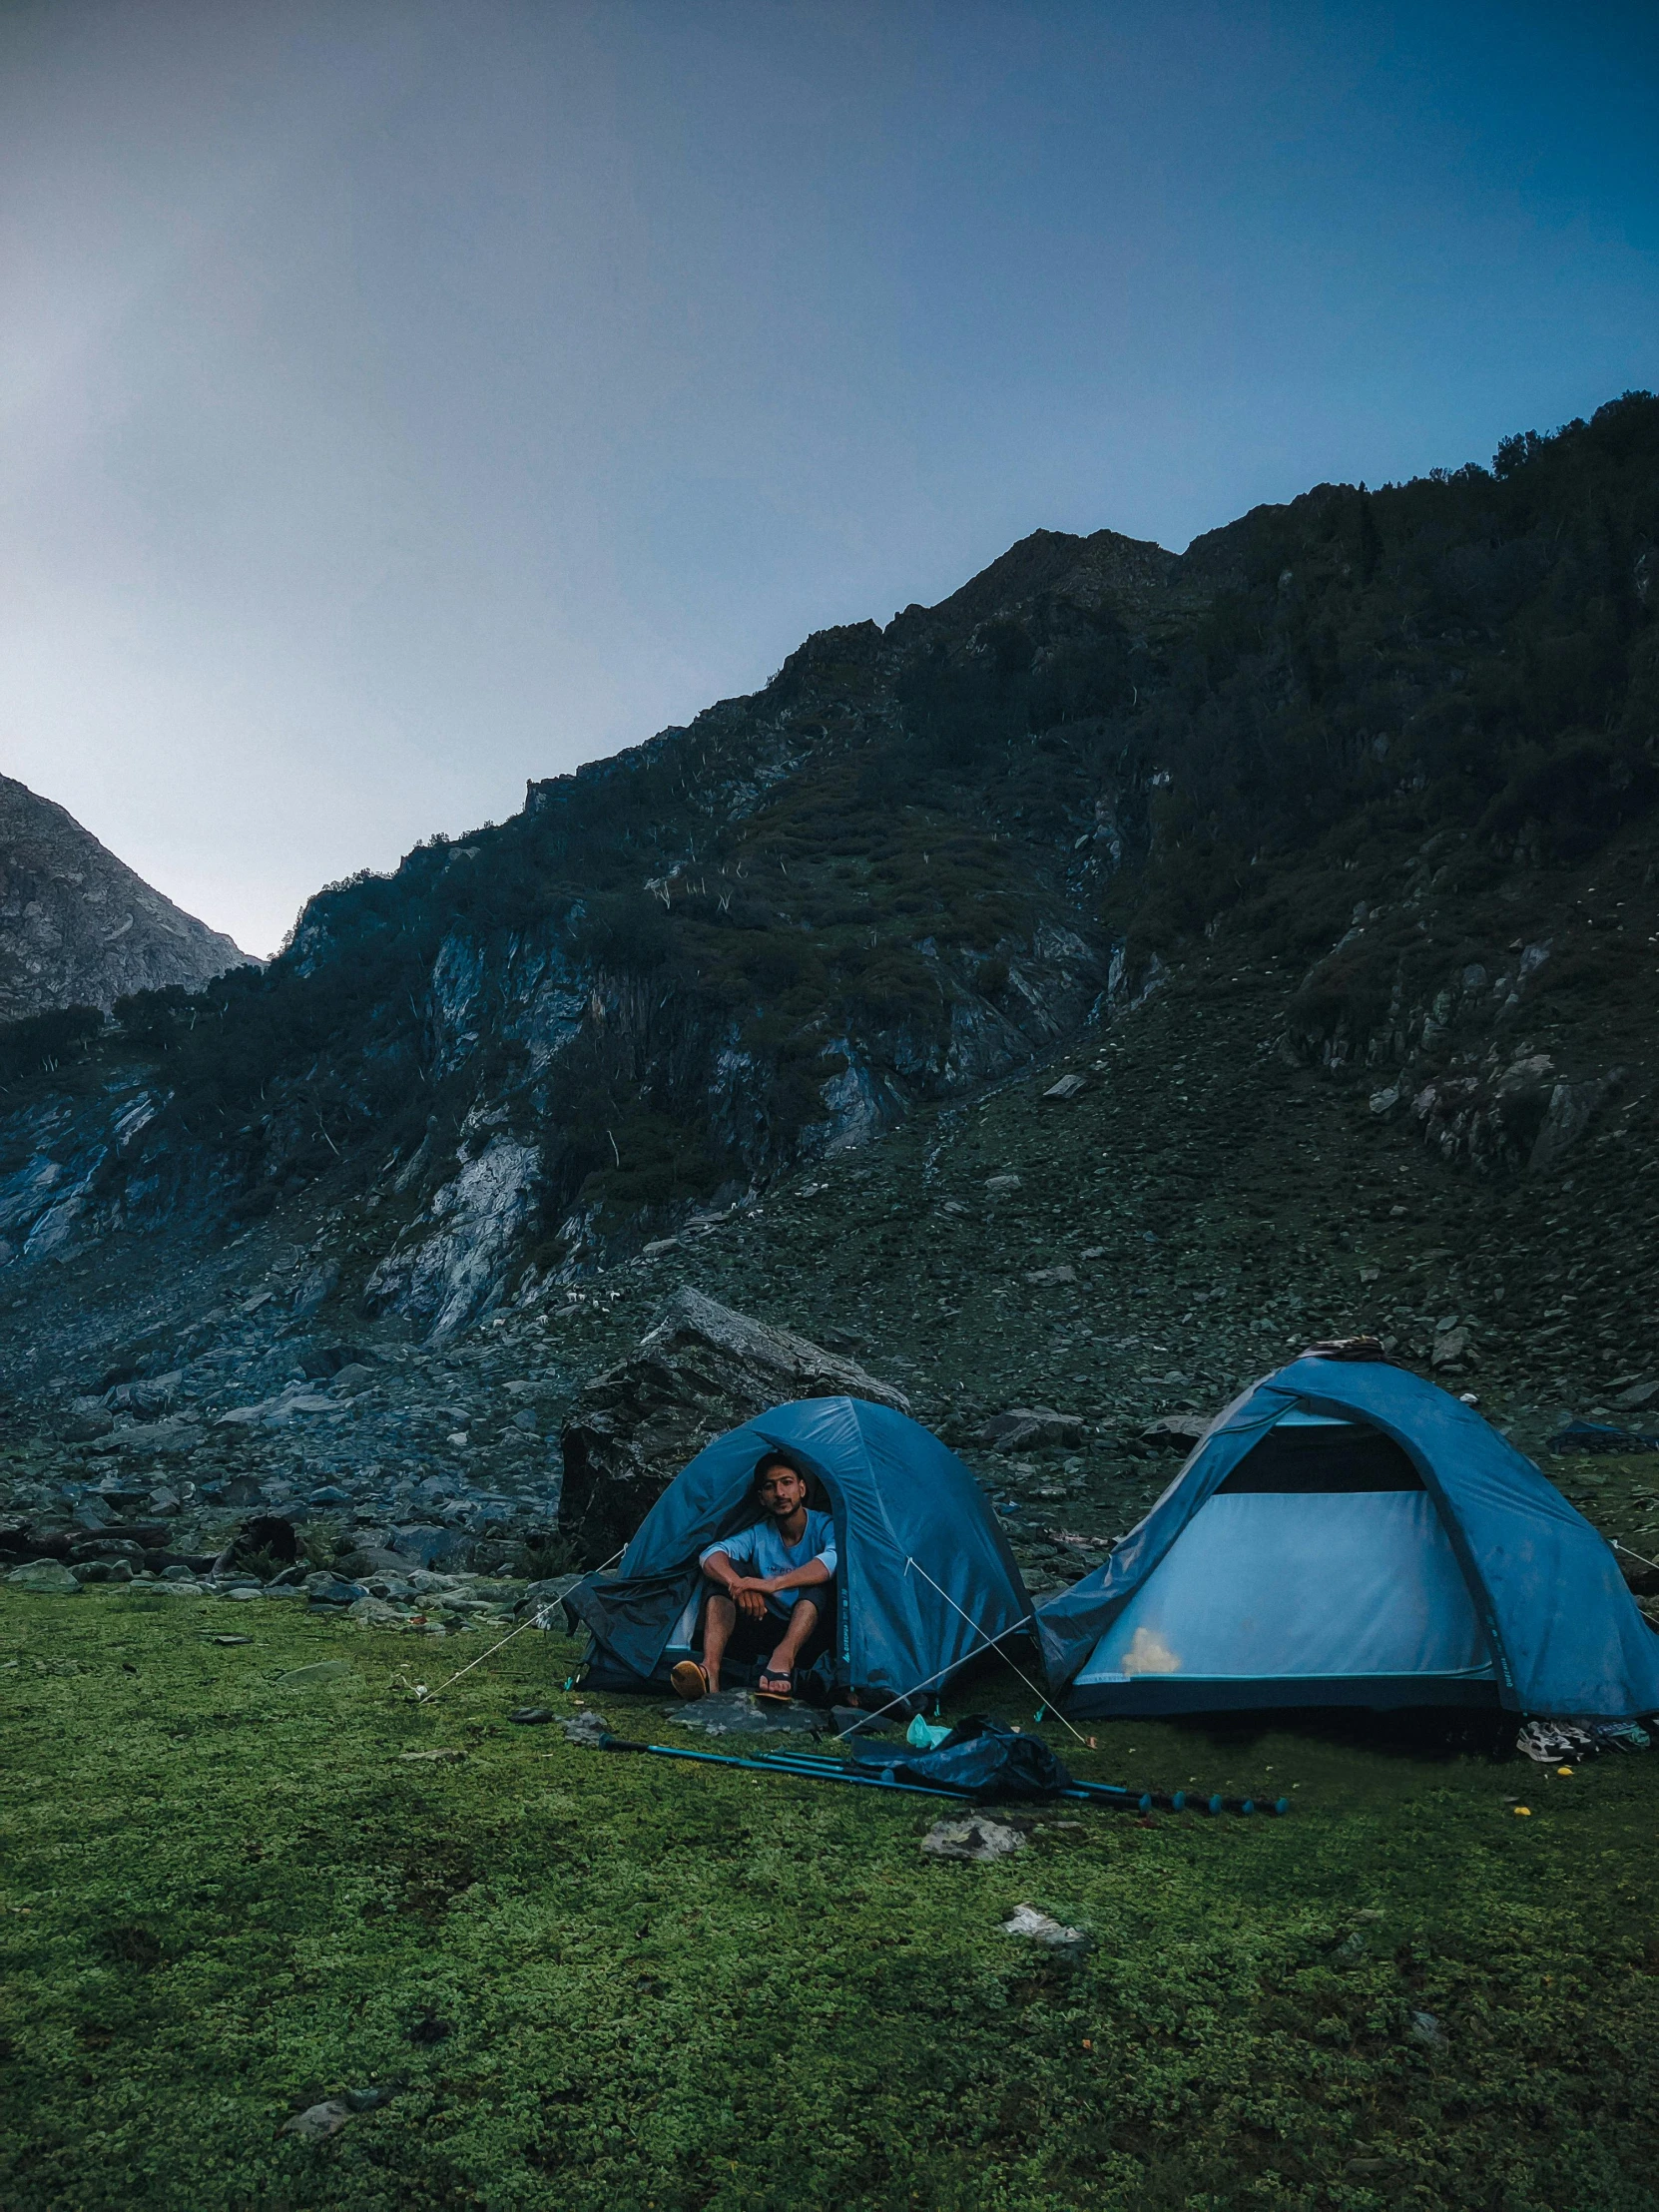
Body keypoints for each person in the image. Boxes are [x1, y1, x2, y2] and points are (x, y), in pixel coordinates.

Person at [671, 1452, 836, 1703]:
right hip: (766, 1624)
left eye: (787, 1482)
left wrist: (770, 1585)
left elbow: (832, 1562)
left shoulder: (826, 1526)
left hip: (812, 1632)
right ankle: (710, 1670)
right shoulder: (759, 1533)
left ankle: (783, 1657)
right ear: (761, 1498)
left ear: (802, 1488)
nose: (780, 1493)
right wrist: (736, 1583)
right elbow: (710, 1555)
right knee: (722, 1577)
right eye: (770, 1487)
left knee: (816, 1587)